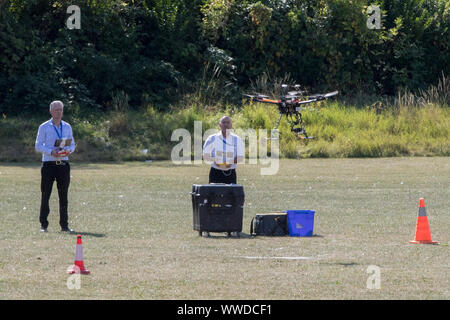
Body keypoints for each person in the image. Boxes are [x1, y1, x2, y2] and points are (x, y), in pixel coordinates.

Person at [35, 101, 76, 232]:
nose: (58, 112)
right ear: (51, 111)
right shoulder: (44, 127)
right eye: (56, 110)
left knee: (63, 195)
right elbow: (38, 145)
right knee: (46, 194)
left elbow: (72, 144)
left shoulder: (67, 126)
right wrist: (51, 151)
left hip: (63, 165)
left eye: (60, 110)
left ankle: (64, 225)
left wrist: (67, 151)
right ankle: (43, 225)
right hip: (49, 164)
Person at [203, 116, 244, 184]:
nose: (226, 125)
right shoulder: (212, 138)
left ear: (231, 125)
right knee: (214, 194)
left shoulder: (237, 139)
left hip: (231, 173)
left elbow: (241, 157)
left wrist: (231, 162)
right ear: (220, 125)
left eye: (228, 123)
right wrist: (215, 160)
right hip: (215, 173)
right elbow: (205, 155)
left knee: (230, 194)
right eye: (223, 122)